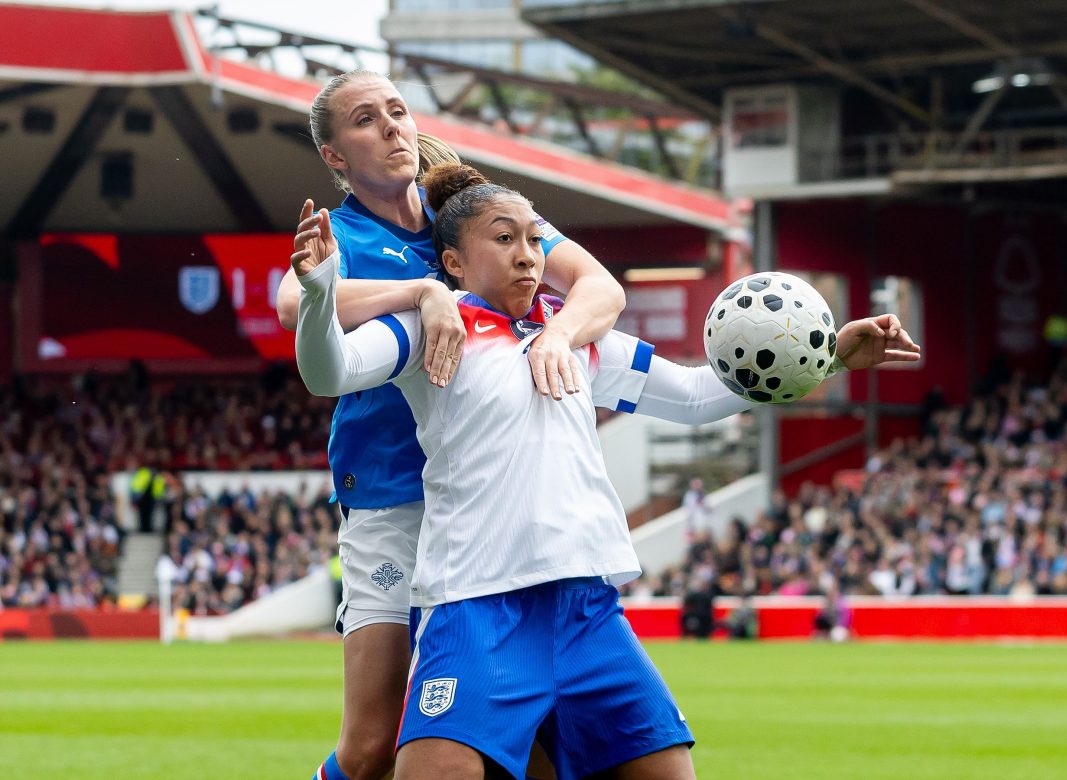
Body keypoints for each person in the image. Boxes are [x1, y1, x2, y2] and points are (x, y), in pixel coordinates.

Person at [293, 162, 921, 779]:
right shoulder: (433, 328)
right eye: (504, 238)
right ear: (453, 262)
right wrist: (322, 290)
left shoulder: (579, 338)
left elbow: (699, 397)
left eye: (535, 239)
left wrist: (830, 358)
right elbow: (329, 372)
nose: (528, 255)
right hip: (476, 610)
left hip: (587, 612)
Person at [272, 69, 626, 780]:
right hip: (394, 501)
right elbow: (294, 305)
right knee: (371, 748)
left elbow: (600, 288)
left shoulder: (473, 215)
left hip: (494, 505)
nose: (392, 127)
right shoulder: (338, 237)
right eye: (366, 119)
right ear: (335, 156)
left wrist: (559, 340)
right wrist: (422, 290)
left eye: (397, 111)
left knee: (543, 742)